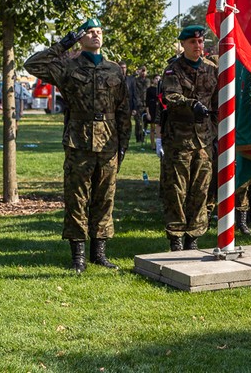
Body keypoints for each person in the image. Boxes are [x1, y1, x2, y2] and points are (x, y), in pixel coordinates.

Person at [24, 18, 130, 273]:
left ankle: (99, 253)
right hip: (78, 141)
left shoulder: (114, 69)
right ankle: (78, 257)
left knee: (104, 198)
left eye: (99, 32)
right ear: (81, 39)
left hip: (108, 141)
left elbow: (123, 109)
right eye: (90, 32)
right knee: (77, 198)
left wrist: (123, 143)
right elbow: (32, 65)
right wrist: (63, 44)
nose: (96, 36)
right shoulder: (67, 67)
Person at [160, 25, 218, 251]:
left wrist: (215, 131)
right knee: (176, 189)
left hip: (204, 140)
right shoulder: (173, 70)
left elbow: (218, 104)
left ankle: (193, 237)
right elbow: (171, 96)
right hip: (179, 140)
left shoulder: (212, 70)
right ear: (183, 44)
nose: (198, 46)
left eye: (201, 42)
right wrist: (191, 105)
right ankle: (176, 237)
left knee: (201, 190)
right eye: (193, 42)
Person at [134, 66, 149, 144]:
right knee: (138, 122)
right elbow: (135, 92)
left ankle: (143, 137)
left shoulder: (148, 81)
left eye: (144, 71)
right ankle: (138, 138)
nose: (143, 73)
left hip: (146, 104)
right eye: (142, 71)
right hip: (138, 104)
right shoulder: (136, 80)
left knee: (145, 122)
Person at [145, 74, 160, 149]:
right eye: (156, 79)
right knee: (152, 128)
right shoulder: (149, 89)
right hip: (152, 109)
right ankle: (152, 144)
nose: (157, 80)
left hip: (159, 109)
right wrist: (148, 113)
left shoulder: (161, 89)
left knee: (159, 128)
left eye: (159, 79)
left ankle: (159, 144)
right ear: (153, 80)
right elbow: (147, 102)